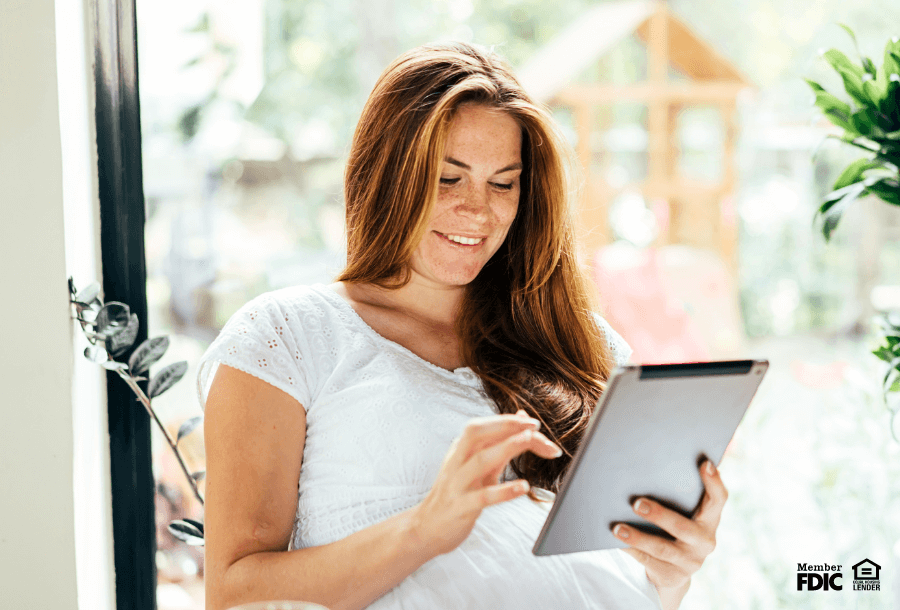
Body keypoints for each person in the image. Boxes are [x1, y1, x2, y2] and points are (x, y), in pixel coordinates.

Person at [196, 41, 727, 610]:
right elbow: (235, 594)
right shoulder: (288, 336)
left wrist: (670, 574)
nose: (479, 210)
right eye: (449, 179)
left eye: (503, 183)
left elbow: (613, 583)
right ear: (386, 176)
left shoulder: (585, 345)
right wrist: (424, 529)